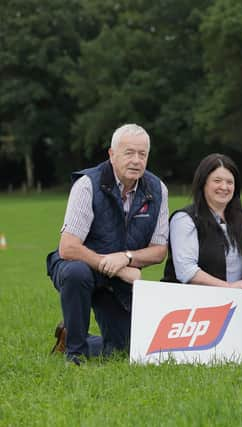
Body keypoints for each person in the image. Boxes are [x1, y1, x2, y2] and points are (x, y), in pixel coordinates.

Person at [46, 124, 169, 365]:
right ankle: (75, 355)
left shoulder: (158, 190)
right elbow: (68, 247)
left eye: (142, 154)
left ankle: (70, 335)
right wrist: (114, 266)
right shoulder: (87, 185)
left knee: (124, 347)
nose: (136, 160)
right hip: (80, 266)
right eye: (128, 152)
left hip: (118, 278)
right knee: (76, 273)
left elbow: (159, 251)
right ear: (112, 155)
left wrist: (126, 258)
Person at [162, 154, 242, 360]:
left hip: (229, 307)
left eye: (229, 182)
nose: (224, 187)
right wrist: (231, 289)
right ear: (203, 183)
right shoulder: (185, 219)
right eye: (217, 181)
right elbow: (187, 271)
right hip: (189, 309)